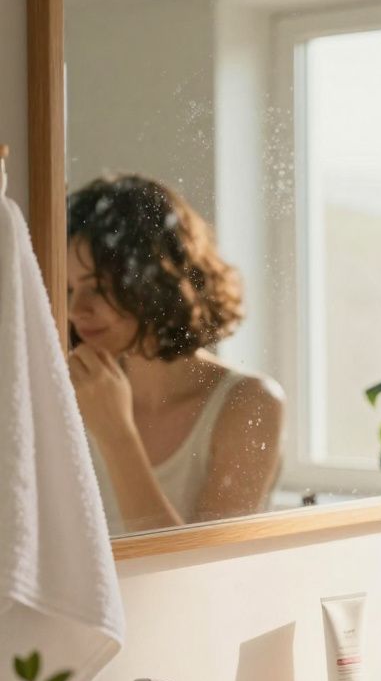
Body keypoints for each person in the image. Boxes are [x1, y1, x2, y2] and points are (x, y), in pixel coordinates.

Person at [67, 174, 284, 534]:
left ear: (154, 282)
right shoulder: (74, 390)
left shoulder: (250, 403)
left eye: (99, 288)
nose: (76, 309)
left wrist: (116, 434)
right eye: (71, 289)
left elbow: (200, 567)